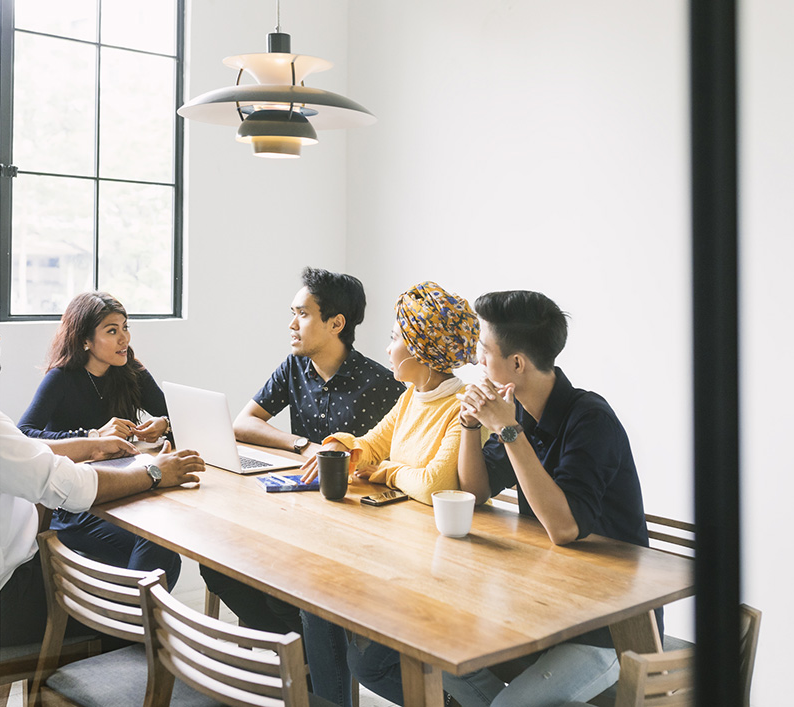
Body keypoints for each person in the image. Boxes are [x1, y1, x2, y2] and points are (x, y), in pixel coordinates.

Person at [0, 274, 204, 649]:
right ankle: (130, 667)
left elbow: (24, 450)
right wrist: (153, 472)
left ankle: (130, 647)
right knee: (149, 590)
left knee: (139, 582)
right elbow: (73, 487)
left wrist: (92, 443)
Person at [439, 290, 655, 707]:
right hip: (548, 606)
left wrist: (508, 432)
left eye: (484, 352)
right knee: (441, 658)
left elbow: (564, 528)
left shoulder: (591, 420)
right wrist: (469, 424)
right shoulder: (517, 411)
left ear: (516, 364)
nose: (477, 362)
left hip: (610, 629)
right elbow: (474, 492)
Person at [202, 267, 403, 707]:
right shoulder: (294, 367)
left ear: (336, 324)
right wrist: (303, 444)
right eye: (292, 313)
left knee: (310, 595)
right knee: (216, 565)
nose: (292, 324)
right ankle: (295, 654)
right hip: (293, 511)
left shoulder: (381, 384)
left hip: (351, 527)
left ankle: (311, 676)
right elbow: (243, 422)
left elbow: (394, 461)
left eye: (302, 314)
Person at [295, 281, 480, 707]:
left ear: (419, 349)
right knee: (314, 603)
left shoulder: (461, 405)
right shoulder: (414, 396)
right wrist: (341, 444)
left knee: (353, 643)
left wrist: (389, 471)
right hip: (394, 548)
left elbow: (435, 484)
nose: (388, 346)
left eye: (395, 337)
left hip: (431, 568)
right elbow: (373, 443)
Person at [18, 291, 184, 587]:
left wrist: (165, 424)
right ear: (85, 340)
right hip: (76, 507)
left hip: (128, 491)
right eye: (112, 331)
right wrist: (92, 437)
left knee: (165, 537)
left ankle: (129, 626)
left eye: (125, 328)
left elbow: (179, 421)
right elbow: (25, 436)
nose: (124, 339)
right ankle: (132, 628)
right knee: (159, 545)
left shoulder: (131, 371)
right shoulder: (61, 378)